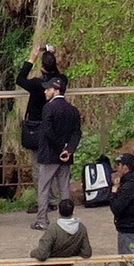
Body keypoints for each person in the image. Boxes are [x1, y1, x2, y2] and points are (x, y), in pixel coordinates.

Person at [34, 75, 82, 231]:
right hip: (65, 156)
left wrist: (60, 147)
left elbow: (47, 131)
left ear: (56, 90)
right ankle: (67, 219)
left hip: (49, 155)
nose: (45, 92)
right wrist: (69, 149)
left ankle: (42, 220)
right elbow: (77, 133)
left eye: (48, 89)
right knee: (64, 188)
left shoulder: (48, 108)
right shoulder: (73, 110)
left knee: (44, 188)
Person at [17, 45, 61, 152]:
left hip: (36, 126)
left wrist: (32, 59)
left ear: (42, 66)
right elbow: (57, 75)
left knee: (38, 161)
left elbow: (20, 79)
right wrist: (51, 58)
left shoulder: (36, 84)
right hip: (54, 124)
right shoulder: (60, 82)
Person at [109, 152, 134, 254]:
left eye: (119, 165)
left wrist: (114, 191)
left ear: (125, 167)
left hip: (128, 230)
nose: (117, 168)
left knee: (127, 261)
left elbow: (116, 208)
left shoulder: (128, 187)